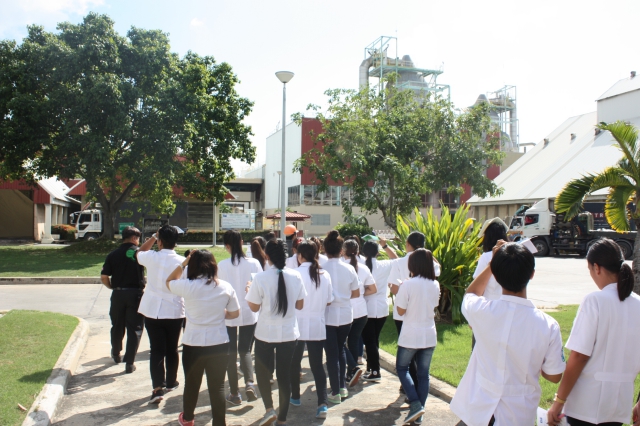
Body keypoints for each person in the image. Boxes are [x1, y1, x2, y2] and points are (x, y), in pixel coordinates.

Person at [450, 242, 565, 426]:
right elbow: (554, 376)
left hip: (479, 410)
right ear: (532, 274)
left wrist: (492, 264)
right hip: (518, 415)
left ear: (495, 276)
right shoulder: (548, 325)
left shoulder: (482, 311)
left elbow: (470, 294)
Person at [547, 238, 640, 426]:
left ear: (596, 268)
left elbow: (579, 356)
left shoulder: (595, 301)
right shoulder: (637, 303)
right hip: (618, 406)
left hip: (586, 406)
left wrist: (559, 401)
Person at [165, 250, 241, 426]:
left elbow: (169, 281)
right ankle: (219, 423)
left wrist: (184, 262)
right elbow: (235, 313)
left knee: (192, 384)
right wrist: (221, 314)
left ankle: (188, 418)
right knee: (218, 387)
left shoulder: (187, 285)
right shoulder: (225, 287)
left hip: (193, 342)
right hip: (219, 342)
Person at [245, 239, 306, 426]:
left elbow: (254, 307)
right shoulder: (295, 276)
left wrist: (248, 291)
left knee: (263, 373)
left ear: (267, 255)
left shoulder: (260, 278)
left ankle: (269, 409)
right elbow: (300, 305)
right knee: (284, 375)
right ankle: (282, 418)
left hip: (265, 333)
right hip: (289, 333)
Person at [136, 225, 186, 404]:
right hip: (174, 309)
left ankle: (157, 387)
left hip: (152, 310)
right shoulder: (182, 261)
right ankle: (171, 381)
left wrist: (152, 237)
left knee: (156, 349)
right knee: (172, 348)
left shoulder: (151, 257)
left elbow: (139, 253)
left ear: (160, 241)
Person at [389, 231, 440, 391]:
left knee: (406, 357)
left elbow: (394, 289)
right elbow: (437, 272)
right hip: (425, 316)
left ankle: (409, 387)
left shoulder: (399, 263)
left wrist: (404, 293)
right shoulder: (431, 264)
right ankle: (416, 389)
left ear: (408, 244)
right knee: (421, 359)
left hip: (404, 314)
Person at [217, 230, 263, 405]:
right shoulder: (254, 263)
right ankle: (250, 383)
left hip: (229, 312)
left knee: (231, 352)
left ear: (227, 246)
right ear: (242, 242)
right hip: (249, 310)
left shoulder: (222, 265)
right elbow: (259, 286)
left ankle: (235, 393)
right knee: (245, 350)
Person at [395, 248, 440, 425]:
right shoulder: (435, 284)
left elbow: (400, 311)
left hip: (411, 334)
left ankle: (415, 403)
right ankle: (419, 413)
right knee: (423, 374)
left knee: (402, 368)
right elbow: (434, 305)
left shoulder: (408, 285)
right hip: (429, 333)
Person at [290, 241, 333, 419]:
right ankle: (322, 404)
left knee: (294, 363)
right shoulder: (324, 274)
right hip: (317, 324)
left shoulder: (294, 274)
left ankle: (295, 396)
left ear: (300, 256)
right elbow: (329, 300)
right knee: (317, 365)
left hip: (297, 324)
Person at [100, 226, 145, 374]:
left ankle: (116, 352)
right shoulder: (139, 254)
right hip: (135, 294)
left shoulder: (112, 254)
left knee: (117, 325)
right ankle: (130, 362)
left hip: (118, 294)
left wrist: (112, 287)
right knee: (135, 328)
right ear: (134, 238)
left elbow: (104, 277)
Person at [322, 230, 360, 404]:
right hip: (346, 315)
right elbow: (356, 293)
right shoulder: (349, 268)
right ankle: (342, 387)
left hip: (328, 316)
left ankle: (335, 391)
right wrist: (343, 297)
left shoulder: (321, 269)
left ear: (325, 249)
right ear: (341, 250)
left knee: (332, 354)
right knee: (341, 349)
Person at [360, 238, 397, 382]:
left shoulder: (360, 265)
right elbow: (396, 259)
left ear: (364, 252)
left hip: (366, 307)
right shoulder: (384, 264)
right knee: (374, 340)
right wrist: (385, 245)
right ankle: (371, 368)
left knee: (370, 341)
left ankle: (375, 371)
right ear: (377, 252)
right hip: (382, 307)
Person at [343, 239, 377, 387]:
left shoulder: (342, 267)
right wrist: (361, 294)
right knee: (353, 341)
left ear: (343, 251)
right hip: (362, 311)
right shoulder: (363, 268)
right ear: (358, 251)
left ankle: (352, 367)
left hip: (346, 311)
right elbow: (373, 289)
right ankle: (351, 370)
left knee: (339, 342)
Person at [473, 218, 509, 301]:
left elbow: (478, 286)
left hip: (490, 304)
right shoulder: (513, 255)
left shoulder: (486, 257)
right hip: (511, 304)